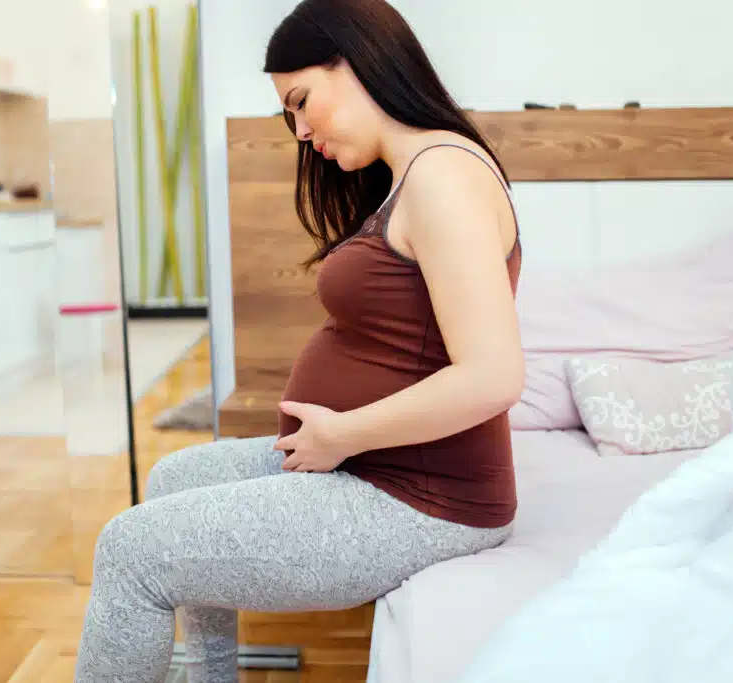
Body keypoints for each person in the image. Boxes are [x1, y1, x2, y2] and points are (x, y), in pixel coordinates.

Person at [73, 1, 524, 681]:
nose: (302, 130)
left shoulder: (444, 179)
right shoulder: (414, 174)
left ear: (358, 61)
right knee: (169, 478)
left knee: (127, 550)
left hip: (422, 497)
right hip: (382, 469)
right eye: (290, 116)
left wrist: (345, 433)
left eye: (303, 101)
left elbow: (493, 375)